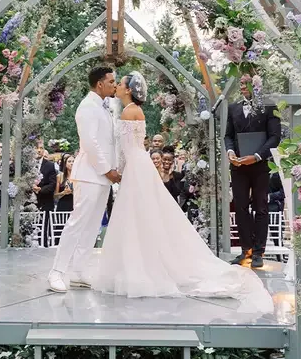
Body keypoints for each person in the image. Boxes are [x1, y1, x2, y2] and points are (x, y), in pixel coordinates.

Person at [92, 72, 273, 312]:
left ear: (128, 89)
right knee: (143, 215)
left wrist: (118, 172)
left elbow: (124, 149)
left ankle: (140, 267)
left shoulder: (127, 112)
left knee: (136, 216)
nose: (116, 87)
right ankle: (144, 263)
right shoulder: (135, 110)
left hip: (135, 167)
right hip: (140, 165)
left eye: (120, 84)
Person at [48, 66, 120, 293]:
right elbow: (90, 143)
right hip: (90, 174)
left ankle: (79, 271)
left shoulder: (105, 107)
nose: (114, 85)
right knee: (77, 224)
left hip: (103, 178)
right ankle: (57, 272)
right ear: (100, 83)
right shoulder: (87, 106)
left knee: (92, 226)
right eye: (111, 81)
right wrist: (108, 170)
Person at [225, 75, 281, 270]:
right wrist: (230, 152)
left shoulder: (269, 106)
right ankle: (246, 249)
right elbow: (228, 136)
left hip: (260, 165)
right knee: (240, 207)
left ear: (257, 84)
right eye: (240, 83)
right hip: (238, 165)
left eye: (246, 82)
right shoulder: (233, 108)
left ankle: (259, 252)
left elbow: (275, 137)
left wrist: (257, 156)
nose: (242, 86)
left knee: (261, 206)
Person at [33, 140, 58, 246]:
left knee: (44, 230)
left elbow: (52, 185)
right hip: (29, 203)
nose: (39, 150)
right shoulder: (26, 165)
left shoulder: (50, 165)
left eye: (41, 148)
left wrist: (40, 189)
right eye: (36, 148)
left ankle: (44, 248)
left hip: (45, 202)